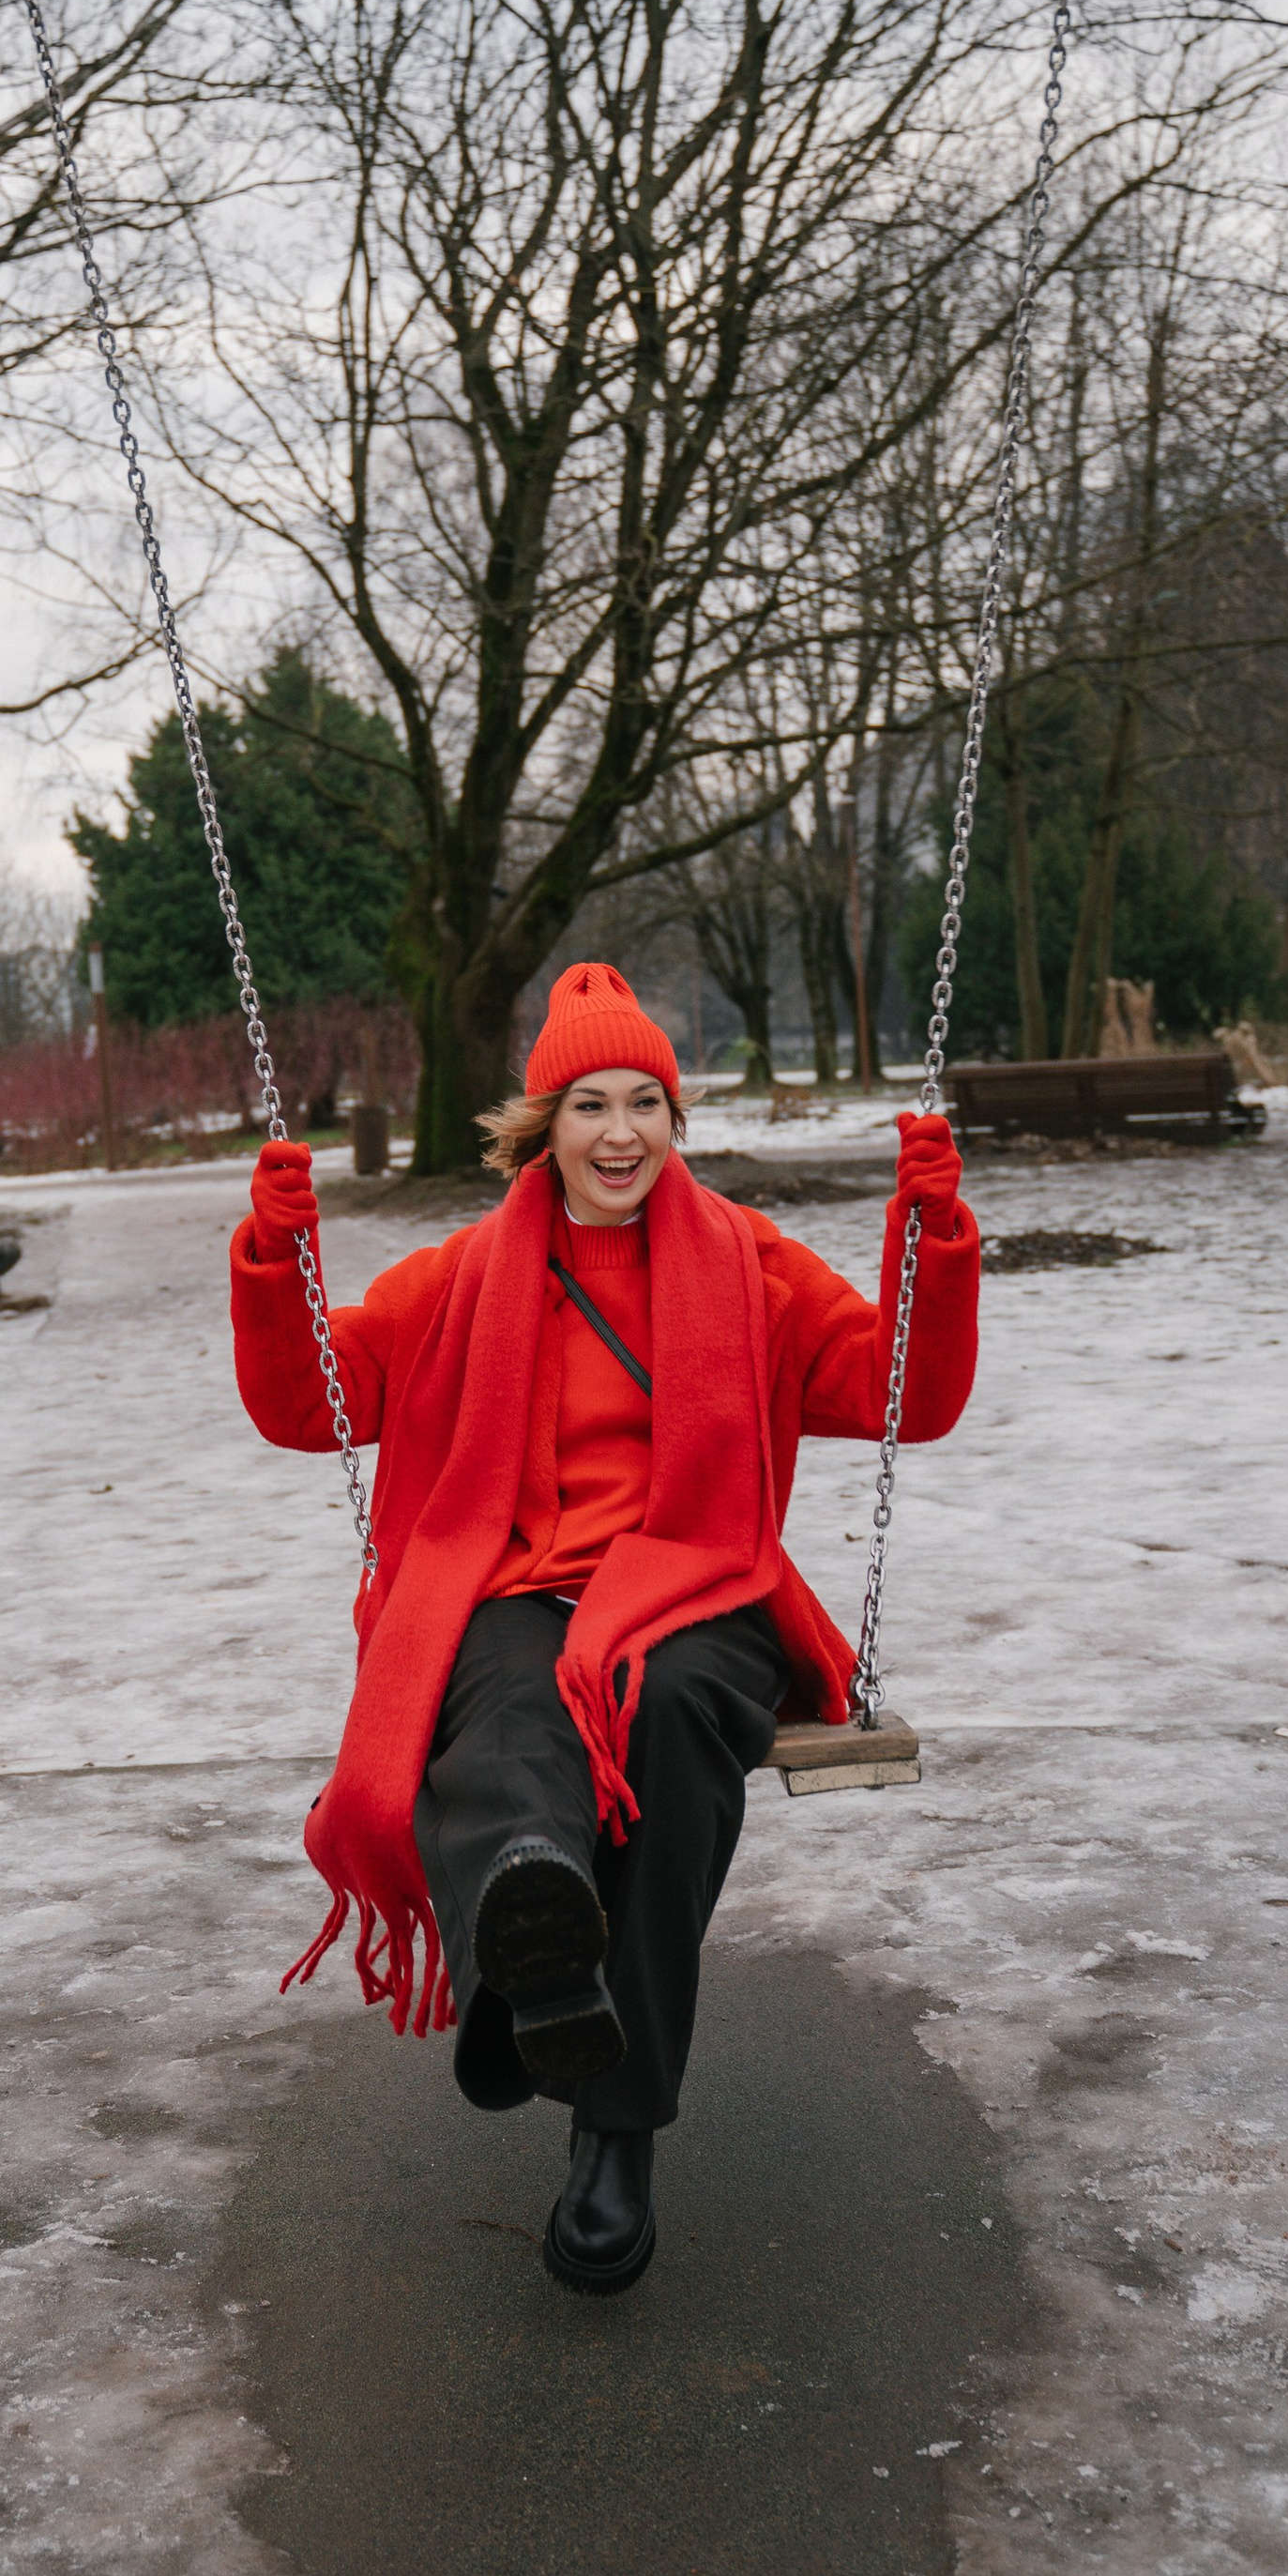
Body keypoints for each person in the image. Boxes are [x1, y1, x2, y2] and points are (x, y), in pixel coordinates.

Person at [230, 961, 979, 2296]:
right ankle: (533, 1925)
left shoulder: (750, 1264)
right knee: (505, 1698)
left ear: (675, 1121)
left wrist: (934, 1243)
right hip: (516, 1581)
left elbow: (899, 1394)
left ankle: (608, 2120)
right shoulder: (462, 1277)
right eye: (588, 1105)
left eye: (646, 1102)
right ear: (543, 1126)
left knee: (679, 1710)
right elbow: (312, 1404)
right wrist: (275, 1261)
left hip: (700, 1583)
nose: (620, 1132)